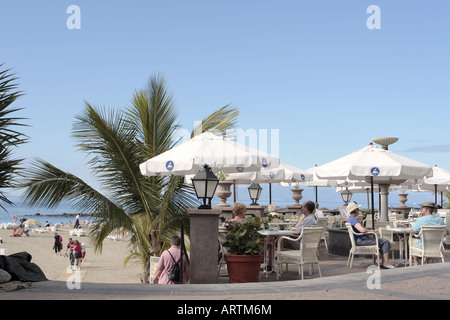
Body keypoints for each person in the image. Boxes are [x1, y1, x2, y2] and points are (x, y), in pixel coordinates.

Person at [346, 201, 395, 269]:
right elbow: (362, 230)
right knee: (385, 241)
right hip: (361, 241)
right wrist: (369, 231)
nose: (359, 210)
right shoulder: (353, 220)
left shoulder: (350, 219)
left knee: (381, 241)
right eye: (358, 209)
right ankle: (385, 263)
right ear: (355, 210)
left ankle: (384, 262)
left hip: (359, 240)